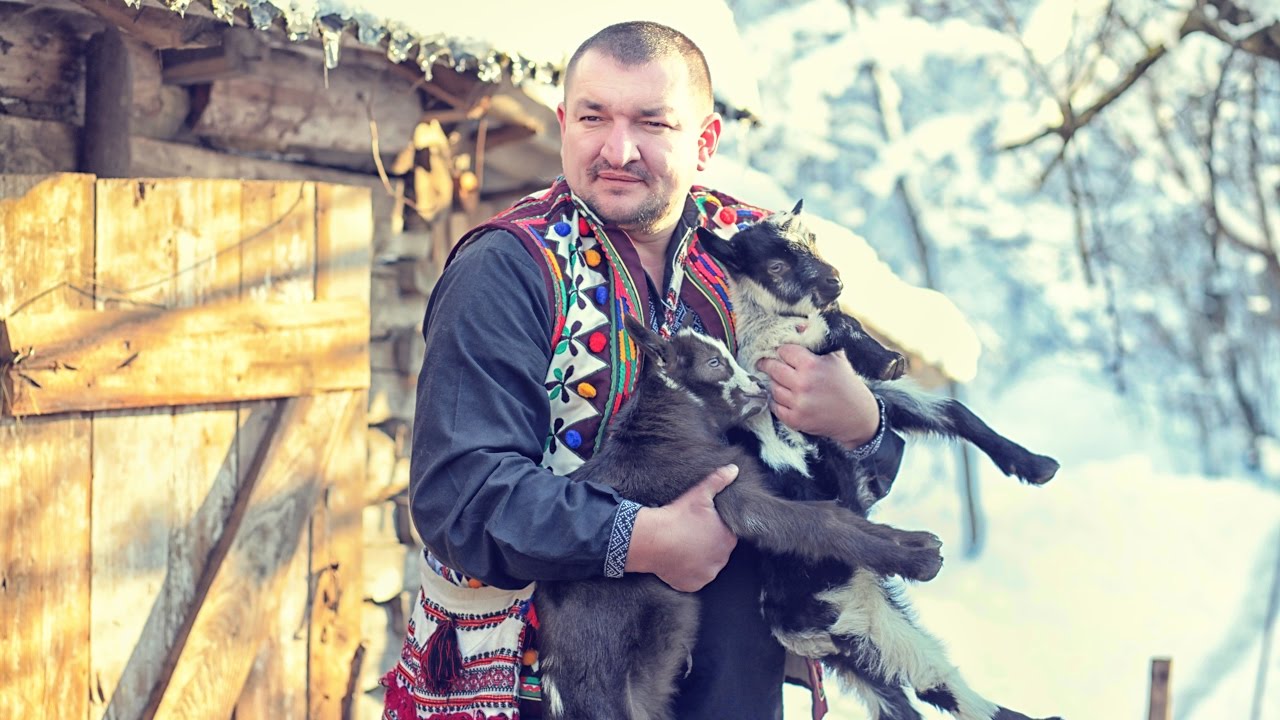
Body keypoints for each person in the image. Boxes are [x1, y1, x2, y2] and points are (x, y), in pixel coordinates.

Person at [381, 20, 904, 720]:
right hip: (545, 683)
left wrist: (861, 424)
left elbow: (867, 471)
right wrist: (640, 540)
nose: (617, 149)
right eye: (594, 117)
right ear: (563, 123)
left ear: (705, 142)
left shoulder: (761, 261)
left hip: (733, 684)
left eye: (651, 123)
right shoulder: (505, 271)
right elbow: (460, 496)